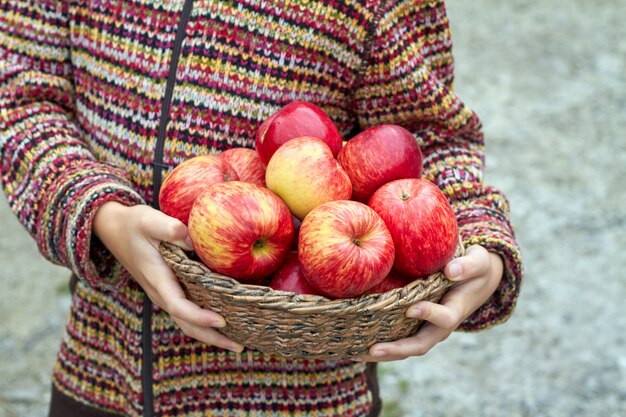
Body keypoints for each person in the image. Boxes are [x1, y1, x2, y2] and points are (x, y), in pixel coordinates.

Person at [0, 0, 522, 416]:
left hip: (305, 393)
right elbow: (19, 96)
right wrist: (100, 213)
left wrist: (479, 238)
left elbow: (428, 137)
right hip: (107, 369)